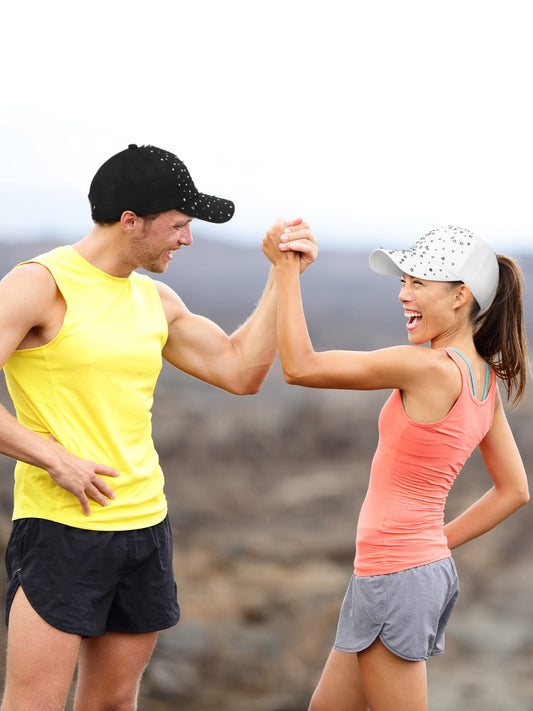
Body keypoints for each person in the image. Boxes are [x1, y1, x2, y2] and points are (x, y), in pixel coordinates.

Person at [0, 143, 318, 711]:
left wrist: (283, 275)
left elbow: (239, 370)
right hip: (60, 530)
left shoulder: (155, 298)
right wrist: (53, 457)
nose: (187, 239)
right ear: (130, 222)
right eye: (178, 225)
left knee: (114, 702)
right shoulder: (40, 285)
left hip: (145, 528)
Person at [262, 223, 529, 711]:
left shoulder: (426, 367)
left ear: (460, 296)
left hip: (397, 576)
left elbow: (300, 366)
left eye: (418, 283)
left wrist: (285, 272)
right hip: (402, 569)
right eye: (402, 281)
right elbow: (515, 490)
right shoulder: (484, 382)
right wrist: (431, 545)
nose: (403, 294)